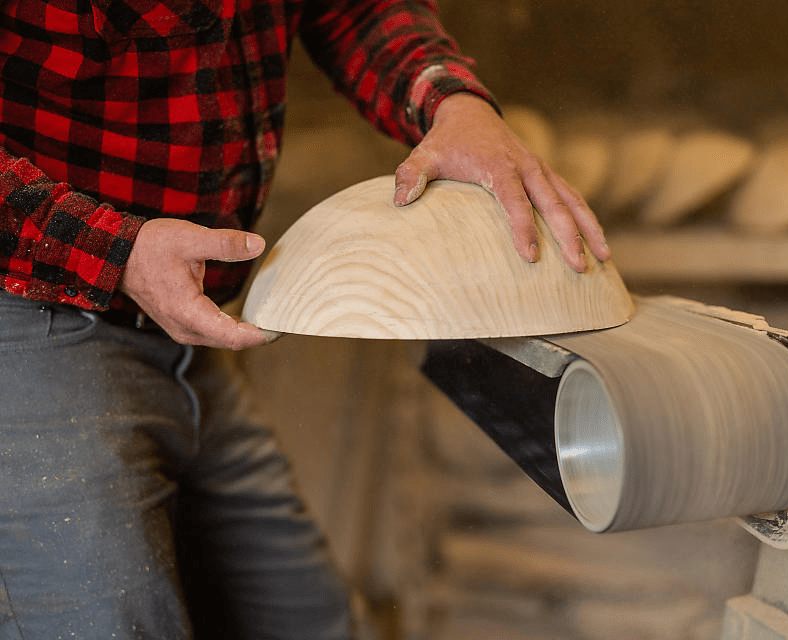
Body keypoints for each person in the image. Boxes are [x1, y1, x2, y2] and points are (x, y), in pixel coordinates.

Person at [0, 0, 609, 637]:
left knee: (315, 623)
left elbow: (354, 8)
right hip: (35, 302)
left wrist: (453, 102)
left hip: (183, 336)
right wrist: (117, 253)